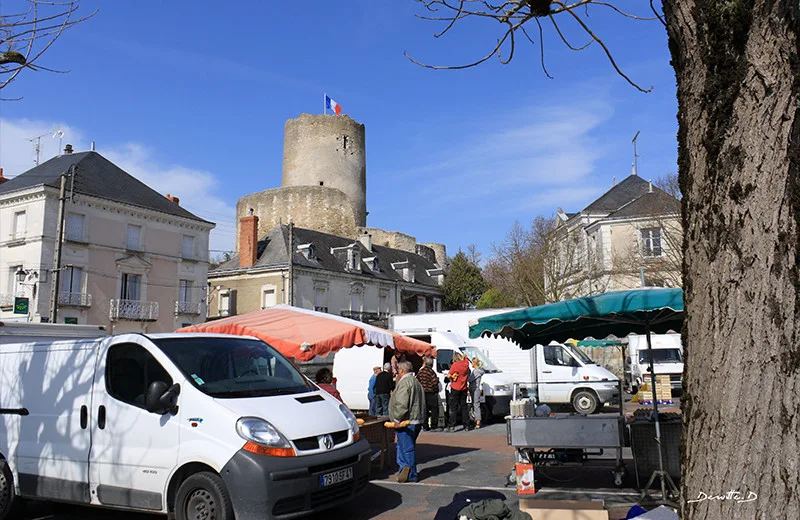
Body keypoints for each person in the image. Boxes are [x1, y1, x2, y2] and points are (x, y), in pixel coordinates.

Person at [389, 360, 425, 483]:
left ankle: (411, 473)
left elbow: (401, 403)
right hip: (417, 419)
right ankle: (404, 469)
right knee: (404, 446)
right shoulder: (416, 382)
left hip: (407, 420)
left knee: (407, 448)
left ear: (402, 370)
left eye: (398, 370)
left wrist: (397, 418)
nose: (397, 372)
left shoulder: (405, 382)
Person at [445, 352, 470, 432]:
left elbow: (449, 375)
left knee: (454, 407)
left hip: (455, 387)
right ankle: (466, 425)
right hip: (464, 387)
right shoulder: (466, 364)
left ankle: (452, 425)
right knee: (464, 407)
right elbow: (466, 358)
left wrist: (452, 377)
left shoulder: (455, 365)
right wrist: (464, 356)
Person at [416, 356, 440, 431]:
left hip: (423, 393)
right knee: (434, 409)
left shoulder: (421, 371)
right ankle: (433, 426)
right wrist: (436, 390)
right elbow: (434, 383)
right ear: (432, 364)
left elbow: (417, 381)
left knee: (424, 410)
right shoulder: (431, 372)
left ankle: (425, 426)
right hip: (431, 393)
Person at [468, 357, 486, 429]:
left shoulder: (476, 371)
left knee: (476, 405)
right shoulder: (478, 371)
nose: (471, 364)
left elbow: (469, 379)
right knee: (475, 405)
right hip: (475, 389)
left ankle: (478, 421)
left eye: (472, 362)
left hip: (475, 389)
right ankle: (477, 420)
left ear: (474, 363)